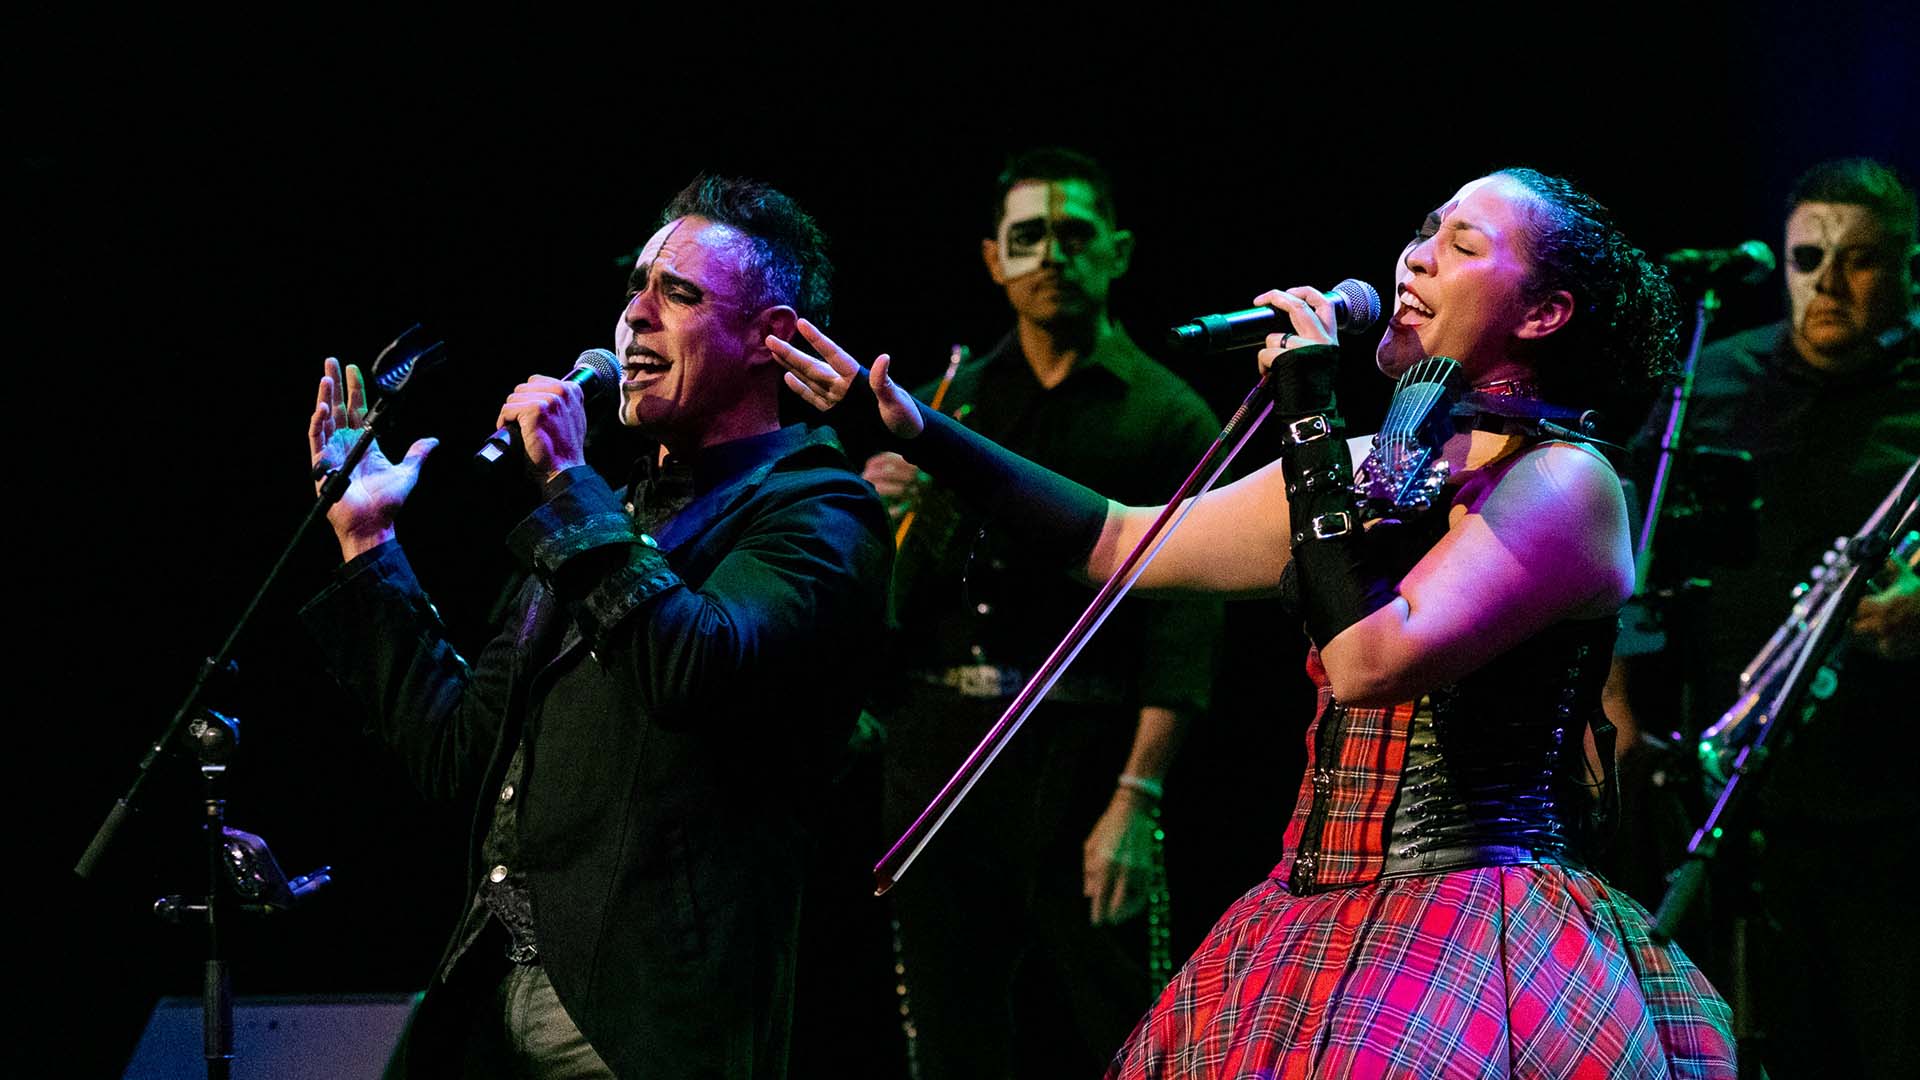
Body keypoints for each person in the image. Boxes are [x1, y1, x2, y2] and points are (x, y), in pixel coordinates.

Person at [773, 167, 1737, 1076]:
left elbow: (1369, 659)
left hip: (1479, 914)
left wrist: (1310, 408)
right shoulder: (1377, 465)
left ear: (1543, 312)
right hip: (1314, 902)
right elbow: (1119, 542)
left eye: (1462, 242)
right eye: (1421, 231)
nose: (1416, 256)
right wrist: (917, 429)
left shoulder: (1567, 481)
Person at [302, 176, 892, 1079]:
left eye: (679, 293)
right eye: (635, 287)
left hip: (642, 1019)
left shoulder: (819, 509)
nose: (636, 316)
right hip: (488, 995)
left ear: (770, 339)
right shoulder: (607, 516)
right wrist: (369, 544)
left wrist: (570, 487)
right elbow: (458, 750)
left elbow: (696, 666)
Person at [862, 148, 1223, 1079]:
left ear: (1119, 251)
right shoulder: (950, 399)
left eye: (1075, 235)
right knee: (948, 1031)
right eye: (1028, 239)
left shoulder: (1170, 415)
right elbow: (896, 600)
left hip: (1082, 757)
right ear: (993, 259)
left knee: (1117, 1027)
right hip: (941, 749)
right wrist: (885, 513)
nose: (1051, 256)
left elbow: (1183, 629)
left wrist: (1135, 798)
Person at [1616, 157, 1918, 1078]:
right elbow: (1623, 558)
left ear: (1907, 271)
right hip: (1736, 801)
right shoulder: (1710, 385)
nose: (1827, 284)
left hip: (1896, 807)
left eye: (1859, 262)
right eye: (1807, 258)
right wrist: (1622, 720)